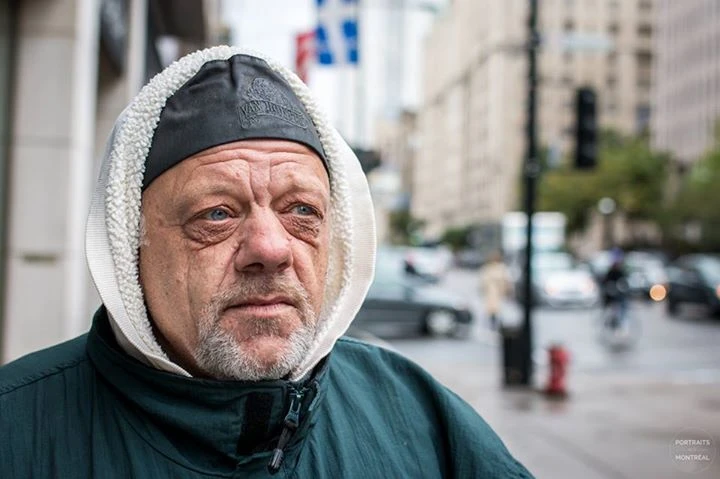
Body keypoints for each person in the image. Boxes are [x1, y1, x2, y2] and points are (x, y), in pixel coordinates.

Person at [0, 47, 533, 478]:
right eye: (216, 214)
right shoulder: (16, 430)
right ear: (129, 243)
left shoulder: (417, 417)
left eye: (302, 211)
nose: (272, 249)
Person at [479, 251, 513, 329]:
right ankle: (492, 321)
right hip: (491, 291)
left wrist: (507, 288)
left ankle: (496, 321)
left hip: (499, 291)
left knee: (497, 308)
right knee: (491, 307)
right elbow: (484, 279)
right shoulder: (488, 267)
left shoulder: (502, 267)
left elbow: (506, 279)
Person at [601, 249, 629, 328]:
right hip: (611, 294)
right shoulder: (610, 272)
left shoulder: (621, 272)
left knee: (623, 305)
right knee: (609, 305)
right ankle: (609, 319)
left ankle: (622, 321)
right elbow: (605, 282)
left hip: (619, 294)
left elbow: (625, 282)